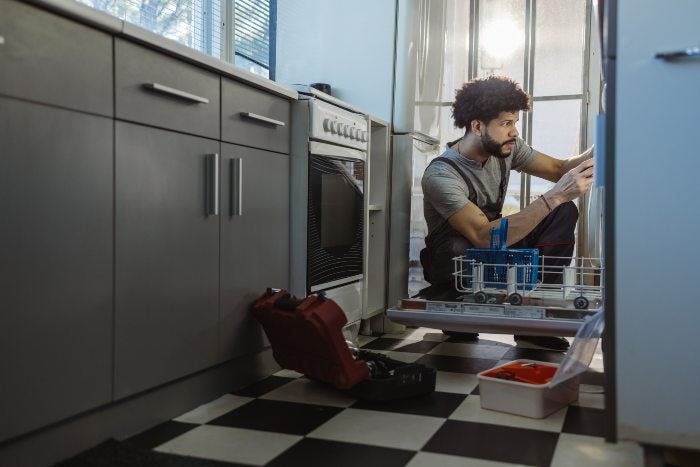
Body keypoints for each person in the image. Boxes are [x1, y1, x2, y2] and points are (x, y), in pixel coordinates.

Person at [420, 75, 594, 352]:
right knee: (458, 246)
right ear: (477, 126)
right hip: (460, 255)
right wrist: (555, 194)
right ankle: (454, 300)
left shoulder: (507, 148)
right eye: (505, 123)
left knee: (562, 210)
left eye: (514, 122)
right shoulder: (440, 174)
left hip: (493, 247)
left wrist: (603, 146)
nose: (513, 131)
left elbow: (559, 169)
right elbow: (481, 236)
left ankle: (532, 316)